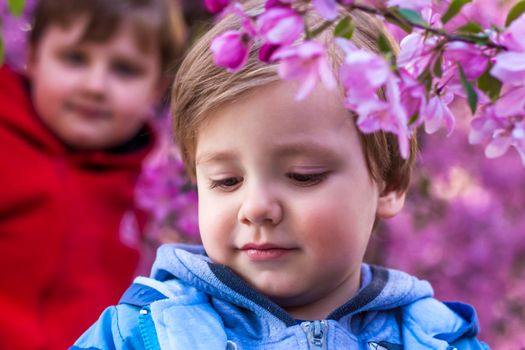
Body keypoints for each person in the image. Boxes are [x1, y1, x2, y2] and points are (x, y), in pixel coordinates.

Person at [72, 1, 489, 349]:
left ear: (391, 183)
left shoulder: (437, 338)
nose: (255, 208)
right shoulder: (146, 333)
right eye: (226, 181)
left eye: (302, 176)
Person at [0, 0, 186, 348]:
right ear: (33, 57)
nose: (95, 86)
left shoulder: (146, 188)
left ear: (156, 89)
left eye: (125, 69)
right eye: (74, 58)